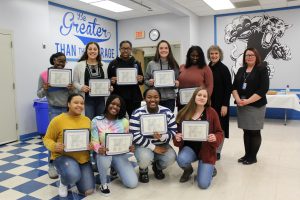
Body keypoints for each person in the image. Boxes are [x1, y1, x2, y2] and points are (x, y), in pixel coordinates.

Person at [43, 94, 95, 197]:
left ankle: (74, 173)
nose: (79, 105)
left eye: (82, 103)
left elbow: (92, 139)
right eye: (76, 102)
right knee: (72, 175)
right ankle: (64, 182)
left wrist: (92, 145)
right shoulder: (58, 120)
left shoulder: (87, 120)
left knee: (88, 190)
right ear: (68, 104)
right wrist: (54, 146)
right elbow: (47, 139)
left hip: (83, 159)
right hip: (63, 157)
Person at [174, 87, 223, 189]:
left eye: (205, 96)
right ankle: (188, 170)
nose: (202, 97)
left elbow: (219, 132)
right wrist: (177, 137)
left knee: (203, 184)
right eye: (199, 95)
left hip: (206, 150)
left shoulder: (212, 112)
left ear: (207, 99)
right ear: (194, 97)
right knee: (181, 159)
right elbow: (177, 133)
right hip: (190, 148)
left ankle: (210, 168)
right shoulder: (184, 112)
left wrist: (215, 137)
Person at [91, 95, 138, 196]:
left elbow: (126, 140)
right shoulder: (96, 121)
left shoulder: (124, 122)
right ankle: (104, 184)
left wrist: (130, 147)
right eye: (112, 103)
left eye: (118, 105)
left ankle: (114, 167)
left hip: (119, 154)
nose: (115, 107)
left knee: (132, 183)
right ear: (107, 104)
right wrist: (99, 149)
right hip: (103, 154)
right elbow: (94, 141)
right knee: (104, 158)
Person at [37, 52, 73, 179]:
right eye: (59, 60)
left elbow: (74, 93)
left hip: (68, 110)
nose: (61, 63)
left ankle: (67, 163)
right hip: (53, 109)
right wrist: (45, 88)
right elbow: (39, 94)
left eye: (63, 61)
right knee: (53, 138)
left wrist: (71, 88)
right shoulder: (44, 75)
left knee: (67, 137)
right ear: (53, 60)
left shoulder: (68, 74)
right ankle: (51, 166)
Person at [130, 88, 177, 183]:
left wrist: (162, 137)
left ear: (159, 98)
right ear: (144, 99)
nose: (152, 100)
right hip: (143, 145)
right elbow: (135, 135)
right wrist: (153, 147)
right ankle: (143, 170)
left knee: (171, 157)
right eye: (149, 97)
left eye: (156, 97)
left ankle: (157, 167)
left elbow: (173, 131)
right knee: (145, 158)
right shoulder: (137, 113)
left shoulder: (167, 112)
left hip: (162, 143)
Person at [232, 47, 269, 165]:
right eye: (247, 55)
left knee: (254, 132)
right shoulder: (241, 70)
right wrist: (237, 99)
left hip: (256, 106)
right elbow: (233, 87)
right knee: (246, 131)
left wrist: (247, 101)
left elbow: (263, 89)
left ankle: (253, 157)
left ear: (256, 56)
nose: (249, 57)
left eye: (252, 55)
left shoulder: (261, 69)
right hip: (241, 105)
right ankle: (247, 154)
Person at [207, 45, 232, 160]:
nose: (214, 56)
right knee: (209, 127)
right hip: (208, 104)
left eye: (216, 53)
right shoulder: (207, 68)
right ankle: (210, 148)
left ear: (220, 55)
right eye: (212, 53)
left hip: (220, 104)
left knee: (220, 128)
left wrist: (225, 105)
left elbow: (228, 88)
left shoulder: (224, 69)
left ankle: (218, 151)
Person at [107, 40, 144, 117]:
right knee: (119, 120)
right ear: (120, 49)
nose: (125, 50)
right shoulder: (113, 63)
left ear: (131, 49)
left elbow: (141, 80)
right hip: (118, 97)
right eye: (123, 48)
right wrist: (111, 80)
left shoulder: (136, 63)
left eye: (128, 48)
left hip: (134, 97)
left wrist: (141, 79)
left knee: (135, 119)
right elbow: (108, 80)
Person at [144, 40, 179, 112]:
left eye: (166, 48)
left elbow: (177, 81)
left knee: (168, 120)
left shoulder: (174, 64)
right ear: (158, 50)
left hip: (170, 99)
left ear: (169, 50)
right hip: (155, 99)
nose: (164, 50)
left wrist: (176, 84)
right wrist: (149, 82)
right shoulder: (151, 64)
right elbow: (145, 79)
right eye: (161, 48)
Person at [73, 42, 105, 120]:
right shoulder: (79, 65)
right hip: (87, 100)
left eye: (95, 49)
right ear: (86, 51)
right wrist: (81, 87)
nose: (92, 51)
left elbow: (107, 80)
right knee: (88, 121)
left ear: (98, 51)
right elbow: (74, 82)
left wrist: (109, 87)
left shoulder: (104, 65)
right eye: (90, 49)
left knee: (101, 122)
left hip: (101, 100)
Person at [177, 46, 214, 111]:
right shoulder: (182, 67)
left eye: (197, 56)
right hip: (183, 103)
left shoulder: (206, 68)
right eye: (192, 55)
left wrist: (205, 99)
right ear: (188, 56)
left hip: (198, 104)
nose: (195, 58)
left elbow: (210, 86)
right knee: (182, 121)